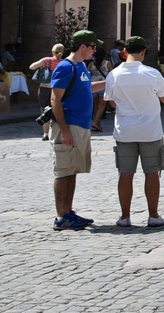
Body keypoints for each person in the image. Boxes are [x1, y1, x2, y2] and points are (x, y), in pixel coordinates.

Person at [104, 36, 164, 228]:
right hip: (150, 130)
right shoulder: (151, 73)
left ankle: (125, 216)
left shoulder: (114, 75)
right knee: (152, 172)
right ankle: (153, 215)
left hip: (124, 131)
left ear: (125, 52)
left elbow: (111, 102)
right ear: (143, 52)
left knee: (125, 174)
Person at [48, 29, 105, 231]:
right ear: (83, 46)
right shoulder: (66, 67)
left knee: (72, 170)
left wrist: (109, 83)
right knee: (64, 170)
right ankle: (61, 216)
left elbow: (86, 88)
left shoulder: (81, 66)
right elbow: (55, 98)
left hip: (80, 125)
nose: (95, 51)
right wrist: (64, 129)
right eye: (93, 47)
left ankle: (68, 212)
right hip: (69, 125)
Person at [29, 43, 66, 140]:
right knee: (57, 109)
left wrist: (43, 67)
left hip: (45, 87)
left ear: (53, 51)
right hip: (58, 88)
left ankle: (46, 133)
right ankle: (57, 131)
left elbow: (32, 67)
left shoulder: (47, 60)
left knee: (44, 110)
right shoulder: (64, 63)